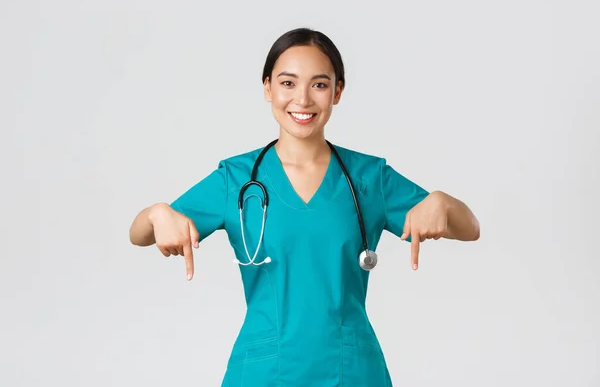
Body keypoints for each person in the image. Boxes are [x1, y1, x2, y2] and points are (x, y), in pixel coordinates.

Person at [129, 27, 480, 386]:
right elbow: (139, 234)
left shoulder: (368, 179)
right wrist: (157, 213)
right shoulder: (236, 179)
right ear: (267, 88)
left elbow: (470, 229)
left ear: (337, 92)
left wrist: (442, 202)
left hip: (353, 372)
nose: (303, 99)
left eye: (319, 84)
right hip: (263, 372)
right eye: (287, 83)